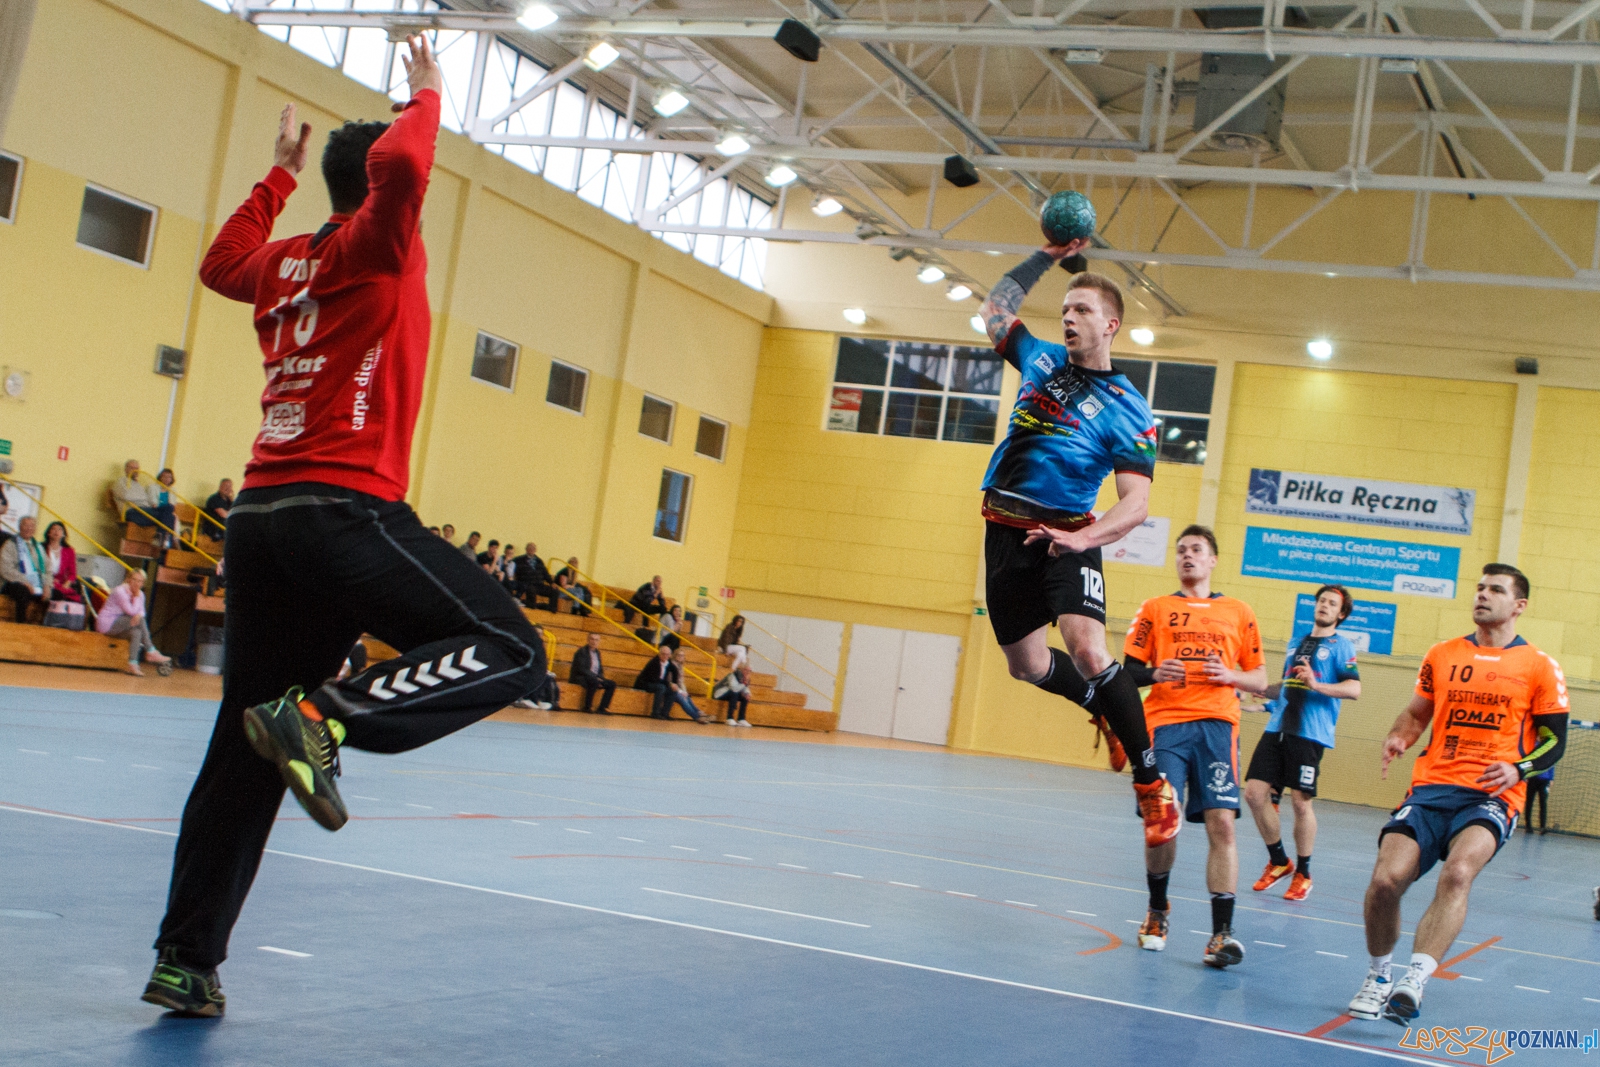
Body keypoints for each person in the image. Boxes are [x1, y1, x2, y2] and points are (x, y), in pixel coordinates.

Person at [142, 37, 547, 1020]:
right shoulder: (379, 242)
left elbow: (219, 262)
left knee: (242, 747)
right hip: (340, 505)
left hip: (261, 517)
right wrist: (428, 89)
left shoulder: (282, 266)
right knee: (510, 646)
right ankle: (330, 716)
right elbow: (406, 165)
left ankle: (185, 960)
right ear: (370, 195)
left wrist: (277, 171)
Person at [975, 250, 1178, 852]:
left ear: (1110, 324)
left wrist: (1082, 539)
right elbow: (994, 309)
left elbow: (1135, 505)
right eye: (1064, 308)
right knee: (1028, 666)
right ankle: (1108, 709)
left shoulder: (1129, 410)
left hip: (1066, 536)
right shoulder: (1038, 360)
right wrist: (1048, 256)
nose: (1068, 316)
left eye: (1082, 309)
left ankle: (1150, 784)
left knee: (1088, 648)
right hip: (1004, 531)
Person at [1346, 564, 1568, 1024]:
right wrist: (1398, 737)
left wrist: (1519, 768)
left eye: (1496, 590)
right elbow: (1416, 712)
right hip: (1431, 787)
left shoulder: (1540, 666)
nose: (1483, 595)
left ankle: (1415, 980)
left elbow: (1555, 742)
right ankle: (1379, 975)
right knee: (1386, 882)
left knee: (1459, 871)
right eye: (1480, 587)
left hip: (1492, 794)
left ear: (1518, 606)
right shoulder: (1442, 654)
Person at [1122, 525, 1265, 969]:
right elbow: (1127, 672)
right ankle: (1157, 910)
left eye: (1196, 550)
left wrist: (1232, 677)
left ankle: (1221, 935)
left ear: (1212, 559)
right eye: (1181, 550)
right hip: (1165, 725)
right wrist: (1153, 675)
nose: (1187, 556)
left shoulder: (1239, 612)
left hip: (1218, 727)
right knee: (1163, 819)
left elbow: (1260, 680)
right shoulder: (1156, 608)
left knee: (1223, 823)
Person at [1243, 584, 1361, 903]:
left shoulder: (1341, 646)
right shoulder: (1297, 642)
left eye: (1332, 603)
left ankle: (1304, 874)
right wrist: (1260, 690)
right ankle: (1280, 861)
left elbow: (1354, 689)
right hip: (1277, 727)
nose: (1324, 605)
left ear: (1341, 613)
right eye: (1321, 600)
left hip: (1310, 733)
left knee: (1300, 802)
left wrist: (1316, 684)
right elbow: (1289, 684)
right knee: (1255, 794)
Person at [95, 569, 172, 676]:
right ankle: (150, 650)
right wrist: (136, 598)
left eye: (140, 581)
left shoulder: (141, 594)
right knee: (139, 620)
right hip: (107, 623)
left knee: (136, 633)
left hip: (122, 624)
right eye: (134, 580)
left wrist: (138, 608)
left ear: (143, 583)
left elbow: (142, 612)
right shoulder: (120, 591)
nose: (136, 583)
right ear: (128, 580)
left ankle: (132, 664)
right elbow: (131, 611)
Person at [0, 515, 49, 622]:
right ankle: (21, 625)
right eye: (25, 525)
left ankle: (45, 628)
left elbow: (47, 569)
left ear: (35, 529)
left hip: (37, 584)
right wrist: (24, 581)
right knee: (23, 592)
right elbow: (5, 569)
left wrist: (47, 585)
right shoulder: (11, 544)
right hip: (13, 582)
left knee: (55, 594)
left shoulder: (39, 547)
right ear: (19, 527)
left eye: (32, 526)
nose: (28, 528)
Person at [112, 460, 174, 533]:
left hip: (145, 511)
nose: (135, 471)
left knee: (169, 509)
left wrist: (140, 497)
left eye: (137, 468)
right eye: (132, 468)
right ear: (126, 469)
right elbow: (126, 496)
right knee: (168, 517)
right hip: (132, 512)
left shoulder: (138, 485)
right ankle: (161, 538)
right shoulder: (120, 481)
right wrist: (141, 498)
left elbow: (145, 498)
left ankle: (160, 537)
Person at [569, 632, 614, 713]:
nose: (594, 642)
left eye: (596, 640)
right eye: (592, 639)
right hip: (580, 677)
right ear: (588, 640)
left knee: (611, 684)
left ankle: (602, 708)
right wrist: (595, 678)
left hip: (594, 677)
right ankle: (587, 707)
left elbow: (600, 669)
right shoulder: (581, 652)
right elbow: (581, 669)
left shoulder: (598, 653)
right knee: (594, 681)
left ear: (599, 642)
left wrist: (601, 678)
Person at [41, 521, 82, 603]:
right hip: (44, 581)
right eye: (53, 529)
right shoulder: (41, 548)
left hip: (61, 584)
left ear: (63, 534)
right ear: (48, 533)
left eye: (59, 529)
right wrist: (50, 580)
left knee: (73, 596)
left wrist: (67, 583)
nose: (56, 531)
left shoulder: (69, 551)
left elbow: (72, 573)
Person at [668, 647, 708, 722]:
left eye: (682, 655)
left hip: (678, 688)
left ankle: (698, 712)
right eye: (679, 655)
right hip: (671, 688)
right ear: (675, 655)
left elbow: (681, 682)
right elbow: (670, 681)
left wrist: (684, 692)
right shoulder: (672, 665)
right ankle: (696, 717)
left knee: (687, 697)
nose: (680, 657)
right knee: (682, 699)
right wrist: (681, 692)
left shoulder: (681, 666)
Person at [1523, 766, 1552, 833]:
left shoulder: (1548, 756)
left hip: (1544, 780)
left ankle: (1542, 827)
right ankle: (1528, 826)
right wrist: (1526, 775)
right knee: (1529, 802)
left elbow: (1552, 764)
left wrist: (1551, 778)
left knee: (1543, 803)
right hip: (1533, 779)